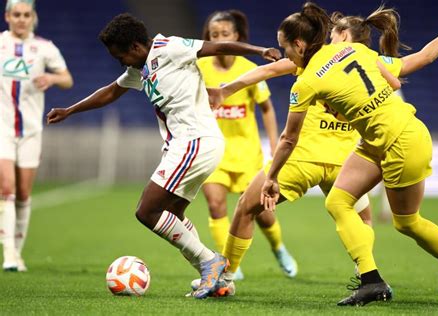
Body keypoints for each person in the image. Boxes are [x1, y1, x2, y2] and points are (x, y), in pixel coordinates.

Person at [46, 13, 281, 299]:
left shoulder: (169, 48)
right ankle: (217, 279)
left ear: (134, 47)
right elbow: (110, 92)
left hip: (194, 142)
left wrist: (259, 50)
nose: (121, 62)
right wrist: (70, 110)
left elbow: (217, 47)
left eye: (120, 56)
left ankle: (210, 262)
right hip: (187, 145)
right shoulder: (140, 68)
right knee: (172, 215)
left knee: (147, 211)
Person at [258, 1, 438, 306]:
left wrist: (271, 177)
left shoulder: (305, 82)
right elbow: (421, 58)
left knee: (406, 222)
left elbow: (288, 138)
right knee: (338, 201)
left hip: (401, 141)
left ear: (299, 44)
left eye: (285, 48)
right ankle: (371, 281)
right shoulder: (359, 51)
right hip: (382, 138)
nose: (285, 55)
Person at [204, 5, 405, 297]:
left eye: (286, 46)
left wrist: (226, 90)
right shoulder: (368, 61)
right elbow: (411, 68)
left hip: (304, 156)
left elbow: (268, 71)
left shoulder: (312, 63)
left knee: (247, 207)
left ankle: (226, 278)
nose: (285, 53)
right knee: (362, 219)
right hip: (347, 161)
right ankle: (368, 275)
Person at [196, 9, 296, 280]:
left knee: (262, 214)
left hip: (247, 152)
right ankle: (227, 263)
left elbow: (266, 108)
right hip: (212, 150)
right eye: (214, 35)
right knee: (216, 204)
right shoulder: (199, 69)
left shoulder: (249, 70)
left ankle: (279, 248)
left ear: (236, 37)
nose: (219, 39)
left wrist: (274, 144)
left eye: (224, 34)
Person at [0, 0, 73, 272]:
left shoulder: (45, 47)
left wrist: (51, 79)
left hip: (31, 131)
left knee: (23, 194)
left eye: (26, 15)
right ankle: (8, 253)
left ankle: (17, 253)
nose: (21, 19)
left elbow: (67, 79)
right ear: (7, 16)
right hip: (2, 128)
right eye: (16, 14)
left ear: (33, 17)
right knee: (5, 188)